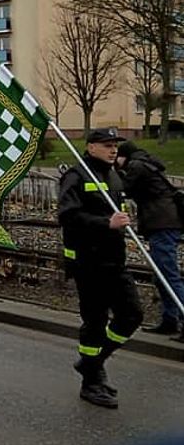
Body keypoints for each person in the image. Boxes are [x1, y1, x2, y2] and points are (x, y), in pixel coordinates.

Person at [58, 128, 143, 407]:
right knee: (95, 321)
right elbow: (67, 215)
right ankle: (91, 382)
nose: (113, 149)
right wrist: (106, 223)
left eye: (115, 145)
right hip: (88, 262)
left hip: (114, 260)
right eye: (107, 145)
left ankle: (92, 363)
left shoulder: (113, 175)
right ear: (91, 147)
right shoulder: (77, 175)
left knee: (132, 315)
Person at [116, 141, 184, 341]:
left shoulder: (136, 166)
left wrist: (114, 174)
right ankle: (170, 319)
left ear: (123, 156)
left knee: (168, 275)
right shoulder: (147, 163)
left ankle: (178, 316)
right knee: (162, 275)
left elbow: (124, 188)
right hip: (164, 222)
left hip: (161, 223)